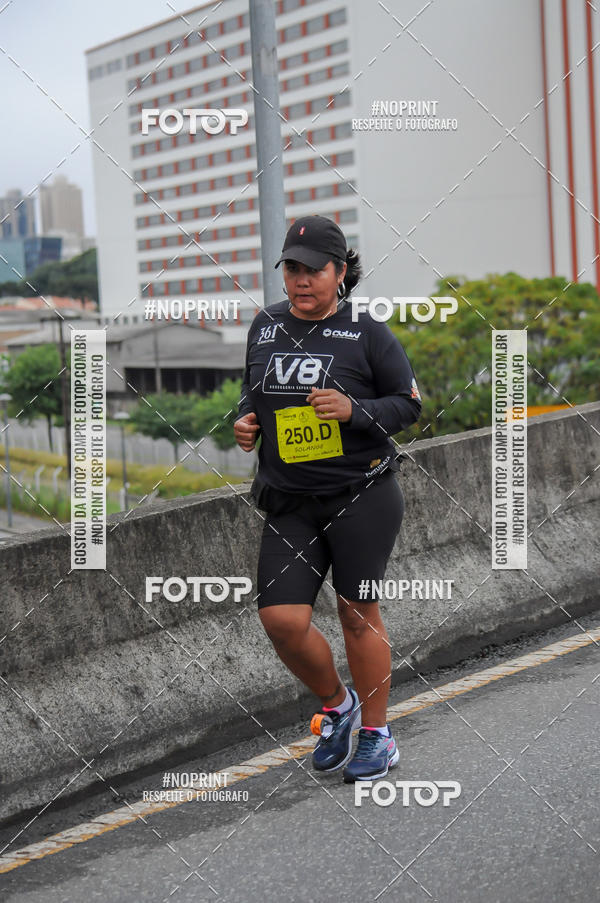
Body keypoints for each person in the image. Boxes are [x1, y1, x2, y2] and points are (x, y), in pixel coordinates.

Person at [234, 214, 421, 782]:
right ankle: (340, 707)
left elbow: (408, 405)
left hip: (360, 493)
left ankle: (377, 735)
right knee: (281, 619)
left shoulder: (367, 332)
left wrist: (353, 411)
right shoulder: (264, 326)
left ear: (340, 273)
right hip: (291, 500)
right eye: (292, 268)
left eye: (313, 270)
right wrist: (245, 423)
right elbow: (253, 394)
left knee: (356, 614)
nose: (301, 280)